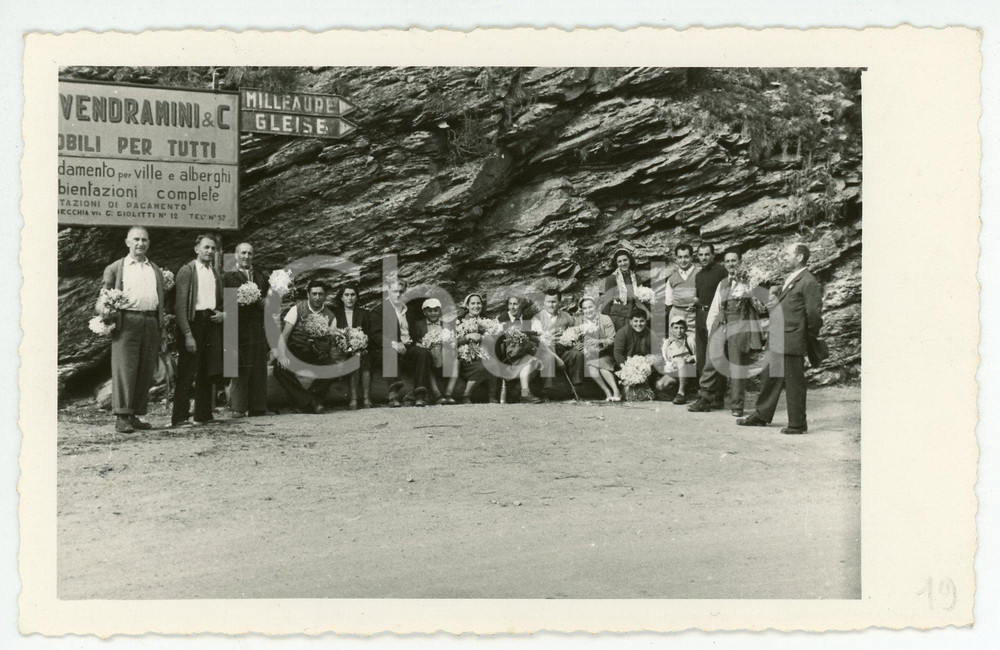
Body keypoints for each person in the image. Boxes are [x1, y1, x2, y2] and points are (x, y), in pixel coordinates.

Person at [738, 243, 825, 434]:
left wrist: (805, 335)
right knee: (769, 376)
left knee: (794, 382)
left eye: (787, 255)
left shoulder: (808, 281)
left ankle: (797, 423)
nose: (783, 258)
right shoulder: (792, 278)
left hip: (792, 339)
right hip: (778, 338)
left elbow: (813, 314)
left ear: (800, 257)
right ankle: (762, 414)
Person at [99, 226, 167, 433]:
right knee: (125, 369)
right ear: (127, 242)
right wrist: (105, 312)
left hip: (150, 321)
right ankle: (121, 416)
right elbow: (102, 298)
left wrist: (160, 325)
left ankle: (134, 413)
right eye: (136, 239)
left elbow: (159, 299)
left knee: (145, 370)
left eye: (144, 240)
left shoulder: (154, 269)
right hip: (127, 322)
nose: (140, 243)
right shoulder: (116, 267)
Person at [688, 249, 764, 415]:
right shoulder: (722, 283)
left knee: (737, 365)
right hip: (721, 324)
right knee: (711, 361)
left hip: (739, 325)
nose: (731, 264)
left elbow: (761, 307)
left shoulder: (749, 282)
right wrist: (711, 330)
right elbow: (715, 308)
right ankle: (705, 398)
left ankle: (737, 406)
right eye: (728, 261)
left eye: (734, 260)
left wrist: (750, 293)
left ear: (740, 262)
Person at [172, 234, 225, 427]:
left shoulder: (215, 273)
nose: (209, 251)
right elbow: (180, 306)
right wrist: (187, 334)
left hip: (210, 322)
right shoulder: (187, 271)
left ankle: (203, 414)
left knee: (206, 369)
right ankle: (179, 417)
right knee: (187, 372)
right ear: (197, 249)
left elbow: (220, 302)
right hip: (192, 323)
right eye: (206, 247)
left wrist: (222, 314)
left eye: (213, 248)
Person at [272, 280, 338, 414]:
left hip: (316, 353)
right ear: (308, 295)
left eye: (320, 294)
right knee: (279, 368)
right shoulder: (297, 308)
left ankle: (305, 402)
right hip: (297, 351)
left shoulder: (331, 316)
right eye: (314, 294)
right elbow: (284, 335)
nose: (317, 297)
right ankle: (311, 402)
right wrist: (283, 356)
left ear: (325, 296)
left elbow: (330, 343)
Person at [222, 242, 270, 418]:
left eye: (250, 253)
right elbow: (225, 303)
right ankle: (238, 407)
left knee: (258, 364)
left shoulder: (260, 276)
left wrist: (265, 303)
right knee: (240, 366)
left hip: (256, 325)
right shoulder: (228, 276)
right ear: (236, 255)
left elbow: (266, 299)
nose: (246, 256)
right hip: (237, 324)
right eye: (243, 253)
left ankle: (258, 407)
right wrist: (239, 300)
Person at [369, 277, 434, 407]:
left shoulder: (409, 310)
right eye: (395, 291)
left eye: (401, 291)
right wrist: (393, 343)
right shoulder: (379, 310)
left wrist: (418, 342)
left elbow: (412, 332)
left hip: (408, 347)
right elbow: (375, 334)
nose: (398, 294)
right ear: (388, 292)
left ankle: (419, 395)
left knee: (424, 353)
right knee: (390, 352)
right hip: (388, 348)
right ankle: (393, 395)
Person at [562, 296, 621, 402]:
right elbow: (576, 337)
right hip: (588, 355)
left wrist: (598, 342)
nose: (588, 310)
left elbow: (612, 339)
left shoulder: (605, 319)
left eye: (590, 307)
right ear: (582, 310)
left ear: (596, 307)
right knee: (591, 366)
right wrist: (577, 345)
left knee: (601, 365)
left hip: (605, 353)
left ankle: (616, 391)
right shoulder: (579, 321)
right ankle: (607, 392)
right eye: (585, 308)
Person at [445, 293, 498, 404]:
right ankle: (466, 395)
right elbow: (451, 342)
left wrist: (485, 338)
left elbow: (494, 340)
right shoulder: (458, 321)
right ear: (467, 306)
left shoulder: (486, 321)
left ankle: (492, 396)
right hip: (466, 357)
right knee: (484, 365)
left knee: (492, 363)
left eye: (478, 303)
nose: (476, 306)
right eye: (473, 303)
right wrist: (467, 337)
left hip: (484, 354)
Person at [332, 282, 372, 409]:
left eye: (353, 295)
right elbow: (332, 335)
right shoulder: (335, 314)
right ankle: (353, 398)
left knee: (361, 357)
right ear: (341, 297)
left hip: (360, 349)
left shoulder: (364, 313)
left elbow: (369, 333)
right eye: (347, 295)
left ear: (357, 297)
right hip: (341, 350)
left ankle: (366, 398)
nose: (350, 298)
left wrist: (361, 344)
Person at [530, 288, 575, 394]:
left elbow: (573, 332)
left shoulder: (567, 317)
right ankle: (547, 388)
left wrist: (568, 339)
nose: (551, 305)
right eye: (548, 302)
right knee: (549, 356)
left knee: (576, 355)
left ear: (559, 302)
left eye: (554, 302)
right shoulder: (537, 318)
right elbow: (539, 340)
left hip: (563, 349)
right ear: (544, 303)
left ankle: (576, 386)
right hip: (545, 350)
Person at [694, 242, 728, 380]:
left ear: (713, 255)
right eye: (701, 255)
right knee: (701, 353)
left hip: (715, 316)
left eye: (707, 254)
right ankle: (704, 390)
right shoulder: (699, 275)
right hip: (700, 315)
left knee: (715, 353)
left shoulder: (721, 271)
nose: (704, 258)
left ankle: (717, 393)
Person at [410, 298, 449, 404]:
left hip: (443, 356)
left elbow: (451, 340)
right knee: (426, 359)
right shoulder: (418, 325)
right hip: (428, 356)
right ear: (424, 312)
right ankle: (437, 395)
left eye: (436, 310)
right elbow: (416, 341)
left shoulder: (445, 325)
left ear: (440, 311)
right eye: (429, 311)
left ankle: (449, 394)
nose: (433, 313)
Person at [664, 244, 699, 351]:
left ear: (692, 257)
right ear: (676, 259)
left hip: (694, 315)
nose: (683, 260)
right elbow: (669, 302)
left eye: (686, 257)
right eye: (680, 257)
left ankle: (695, 365)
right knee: (675, 345)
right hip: (676, 314)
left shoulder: (700, 274)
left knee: (694, 343)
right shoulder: (672, 278)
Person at [656, 319, 697, 404]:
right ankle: (684, 390)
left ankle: (681, 393)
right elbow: (666, 359)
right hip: (674, 371)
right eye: (676, 328)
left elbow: (697, 355)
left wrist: (691, 358)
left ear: (685, 329)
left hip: (689, 370)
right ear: (671, 329)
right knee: (659, 385)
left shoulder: (689, 340)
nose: (679, 331)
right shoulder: (667, 342)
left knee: (681, 361)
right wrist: (671, 366)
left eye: (681, 328)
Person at [603, 247, 641, 331]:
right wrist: (606, 321)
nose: (623, 263)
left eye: (625, 260)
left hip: (633, 317)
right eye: (619, 261)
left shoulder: (637, 278)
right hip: (618, 318)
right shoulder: (612, 279)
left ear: (630, 260)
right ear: (616, 263)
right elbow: (607, 302)